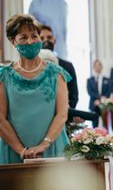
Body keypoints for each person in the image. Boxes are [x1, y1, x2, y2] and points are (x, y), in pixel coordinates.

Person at [0, 14, 70, 163]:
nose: (30, 41)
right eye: (23, 37)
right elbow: (1, 119)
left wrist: (45, 143)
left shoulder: (56, 73)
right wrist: (21, 150)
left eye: (34, 36)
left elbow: (62, 114)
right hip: (13, 149)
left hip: (52, 146)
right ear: (13, 41)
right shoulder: (4, 76)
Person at [40, 24, 78, 109]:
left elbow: (73, 96)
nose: (46, 41)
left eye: (49, 37)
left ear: (54, 40)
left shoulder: (67, 66)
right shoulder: (31, 66)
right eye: (42, 38)